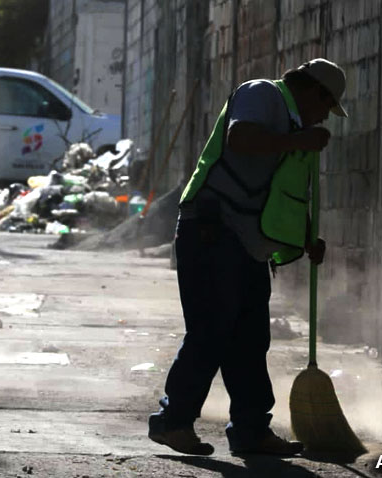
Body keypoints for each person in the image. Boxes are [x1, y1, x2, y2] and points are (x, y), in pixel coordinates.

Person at [148, 58, 348, 456]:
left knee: (250, 341)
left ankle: (251, 431)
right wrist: (296, 142)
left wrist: (306, 238)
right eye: (327, 105)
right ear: (314, 91)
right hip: (211, 230)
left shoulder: (295, 127)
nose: (324, 115)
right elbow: (240, 138)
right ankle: (173, 422)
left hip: (247, 242)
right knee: (210, 332)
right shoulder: (263, 93)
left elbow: (280, 194)